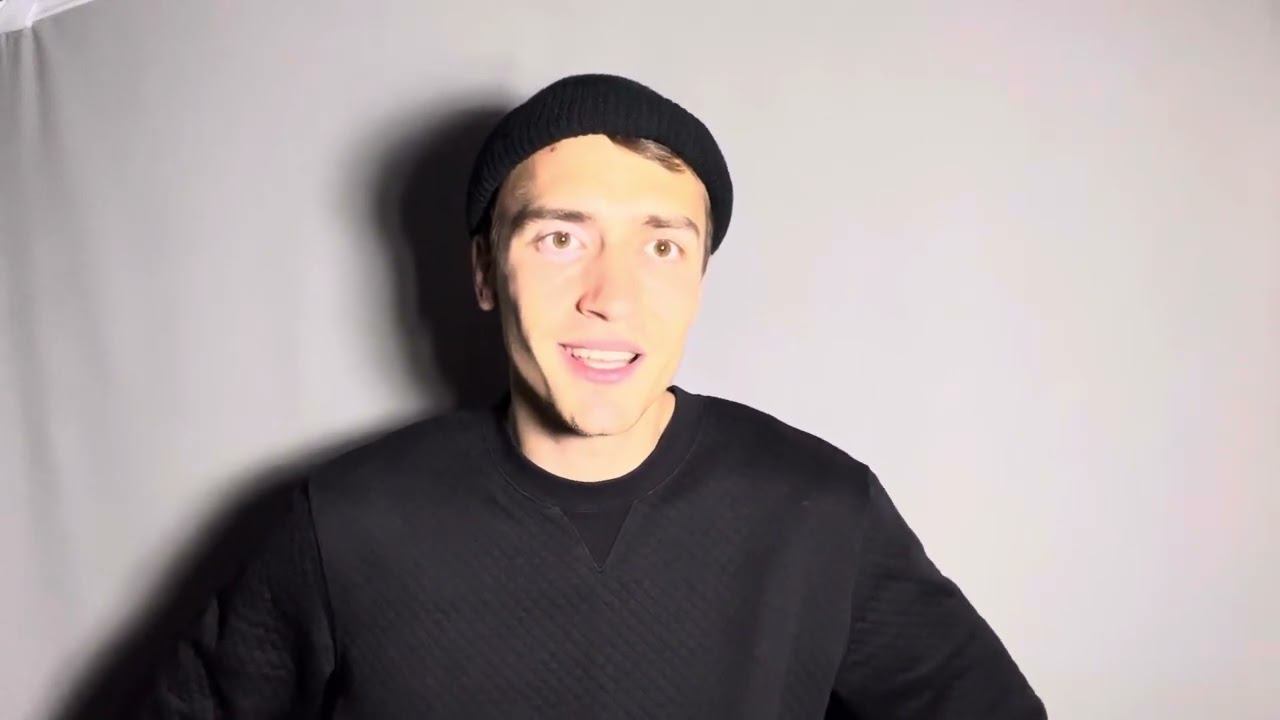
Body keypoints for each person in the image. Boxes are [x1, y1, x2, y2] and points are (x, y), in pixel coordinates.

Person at [138, 73, 1046, 718]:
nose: (611, 297)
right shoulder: (344, 521)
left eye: (662, 247)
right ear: (485, 272)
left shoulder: (820, 508)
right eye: (560, 239)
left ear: (699, 278)